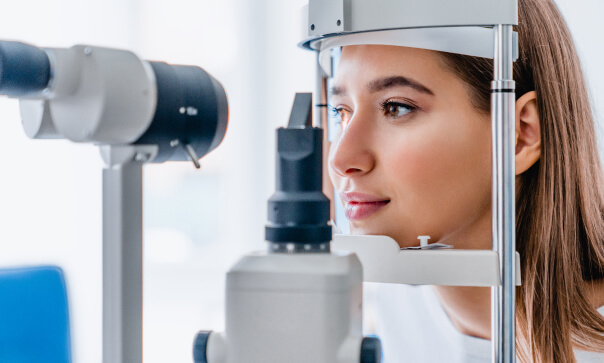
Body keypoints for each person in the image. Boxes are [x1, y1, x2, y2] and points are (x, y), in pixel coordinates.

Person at [326, 0, 604, 361]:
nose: (341, 159)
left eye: (397, 107)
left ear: (519, 134)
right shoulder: (390, 308)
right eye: (342, 112)